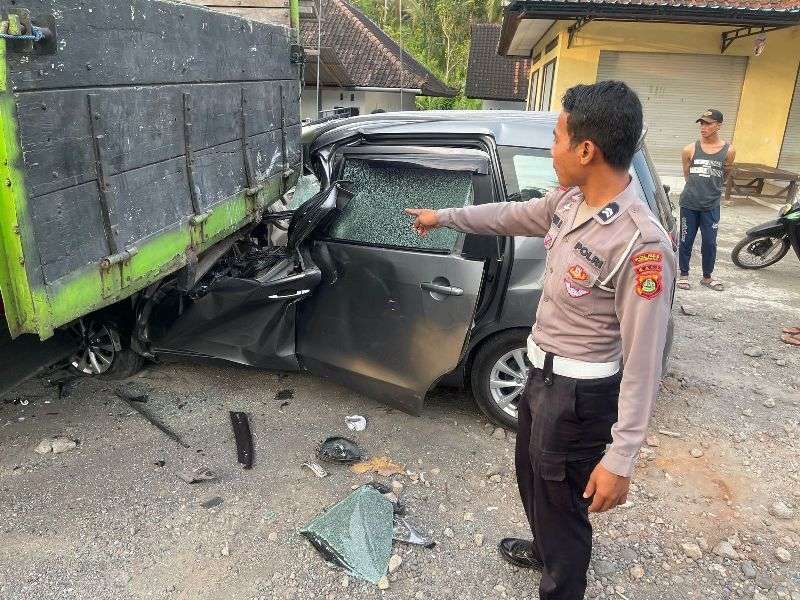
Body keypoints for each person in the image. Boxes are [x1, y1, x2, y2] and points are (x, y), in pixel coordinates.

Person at [405, 81, 675, 600]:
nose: (551, 151)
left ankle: (562, 581)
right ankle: (547, 548)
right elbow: (510, 215)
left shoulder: (640, 244)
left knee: (560, 502)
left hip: (579, 398)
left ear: (585, 150)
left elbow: (644, 362)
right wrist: (443, 217)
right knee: (532, 479)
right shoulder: (571, 201)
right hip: (540, 377)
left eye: (555, 138)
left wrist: (621, 458)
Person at [677, 109, 736, 291]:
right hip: (689, 203)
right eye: (701, 123)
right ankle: (684, 274)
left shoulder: (729, 150)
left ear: (718, 125)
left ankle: (707, 276)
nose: (703, 127)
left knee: (710, 242)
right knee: (686, 240)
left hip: (711, 205)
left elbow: (724, 175)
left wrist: (710, 190)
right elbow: (687, 175)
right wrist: (697, 190)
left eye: (708, 123)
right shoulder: (689, 149)